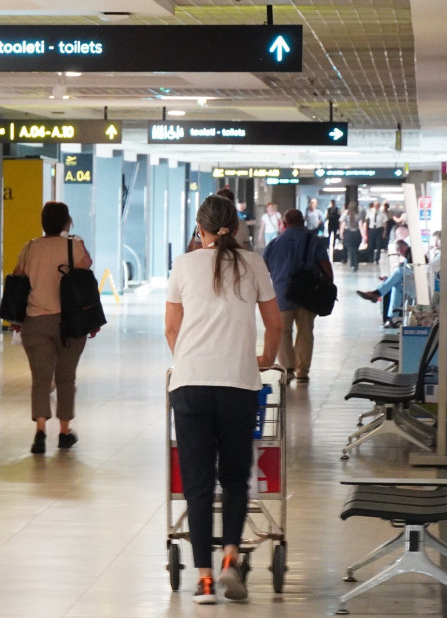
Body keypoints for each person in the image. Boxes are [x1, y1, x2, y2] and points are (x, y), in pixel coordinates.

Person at [165, 194, 282, 604]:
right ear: (235, 226)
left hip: (191, 386)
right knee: (234, 478)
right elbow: (274, 323)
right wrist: (265, 359)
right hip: (238, 384)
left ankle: (204, 581)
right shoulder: (254, 263)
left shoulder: (184, 264)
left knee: (197, 483)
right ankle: (231, 556)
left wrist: (188, 359)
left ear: (200, 229)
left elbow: (171, 328)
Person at [10, 202, 95, 454]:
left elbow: (17, 276)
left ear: (43, 222)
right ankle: (64, 432)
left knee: (41, 378)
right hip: (69, 323)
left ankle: (39, 431)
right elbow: (86, 268)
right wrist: (76, 241)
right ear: (67, 221)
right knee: (66, 378)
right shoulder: (73, 245)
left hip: (35, 321)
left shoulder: (30, 247)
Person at [264, 209, 334, 383]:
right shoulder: (313, 240)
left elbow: (264, 269)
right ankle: (302, 371)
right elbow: (325, 266)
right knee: (305, 331)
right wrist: (328, 284)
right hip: (307, 294)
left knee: (283, 332)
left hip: (282, 294)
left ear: (284, 224)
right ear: (303, 222)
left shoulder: (274, 243)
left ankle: (287, 369)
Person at [357, 239, 415, 327]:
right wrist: (389, 279)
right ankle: (392, 318)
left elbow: (409, 273)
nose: (398, 253)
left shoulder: (412, 256)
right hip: (411, 283)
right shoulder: (409, 256)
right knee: (396, 285)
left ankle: (377, 293)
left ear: (402, 248)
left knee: (399, 272)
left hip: (417, 286)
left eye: (398, 251)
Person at [341, 202, 364, 271]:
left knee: (350, 250)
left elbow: (343, 226)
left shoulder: (346, 216)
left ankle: (352, 264)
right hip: (356, 234)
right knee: (356, 250)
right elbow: (361, 227)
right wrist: (363, 236)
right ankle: (356, 264)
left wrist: (341, 234)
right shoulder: (358, 217)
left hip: (348, 234)